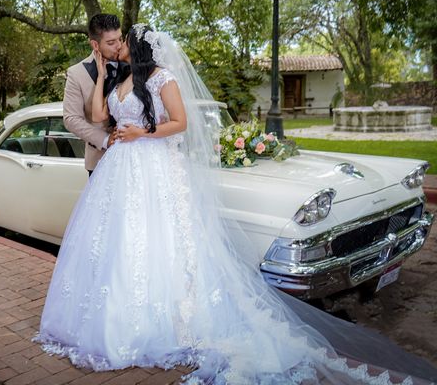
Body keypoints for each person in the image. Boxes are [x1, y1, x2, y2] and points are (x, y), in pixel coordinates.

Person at [36, 24, 437, 384]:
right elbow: (96, 115)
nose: (119, 45)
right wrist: (106, 75)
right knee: (122, 244)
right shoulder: (119, 78)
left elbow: (181, 123)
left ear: (139, 48)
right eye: (114, 42)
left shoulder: (163, 79)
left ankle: (169, 317)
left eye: (124, 42)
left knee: (162, 240)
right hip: (119, 170)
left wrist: (143, 131)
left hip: (152, 163)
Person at [63, 13, 129, 176]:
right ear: (95, 44)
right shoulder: (76, 74)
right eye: (111, 42)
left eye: (120, 39)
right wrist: (106, 140)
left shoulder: (132, 63)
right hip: (99, 160)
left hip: (134, 156)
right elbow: (71, 119)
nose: (118, 46)